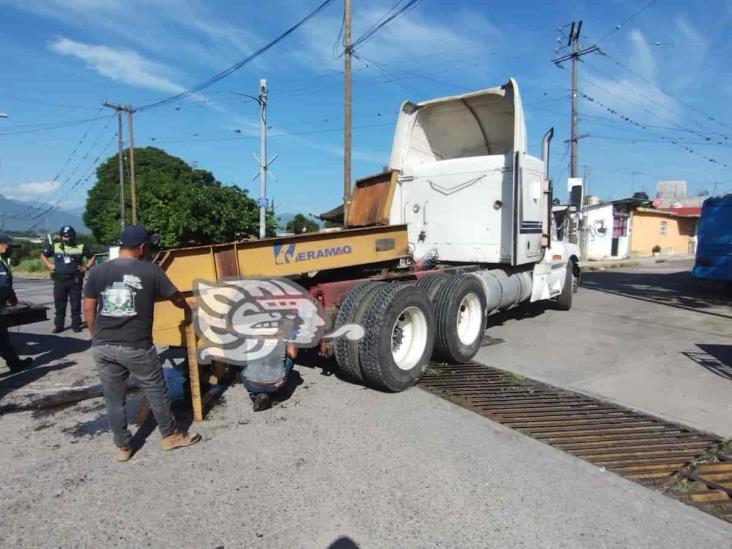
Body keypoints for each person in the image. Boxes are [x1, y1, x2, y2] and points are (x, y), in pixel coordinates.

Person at [83, 225, 200, 462]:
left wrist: (95, 336)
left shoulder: (98, 271)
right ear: (143, 246)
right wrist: (190, 306)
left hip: (103, 346)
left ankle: (123, 447)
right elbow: (176, 298)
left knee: (114, 399)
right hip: (136, 346)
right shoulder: (151, 271)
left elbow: (88, 306)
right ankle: (170, 436)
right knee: (157, 392)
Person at [40, 226, 95, 333]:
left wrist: (86, 267)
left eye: (69, 236)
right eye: (64, 236)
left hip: (75, 280)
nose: (66, 238)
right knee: (59, 304)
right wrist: (49, 265)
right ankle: (59, 326)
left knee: (75, 304)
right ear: (61, 236)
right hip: (59, 280)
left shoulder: (81, 246)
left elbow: (92, 257)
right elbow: (43, 255)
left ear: (73, 236)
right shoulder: (55, 246)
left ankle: (76, 324)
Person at [0, 234, 33, 373]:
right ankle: (15, 364)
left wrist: (14, 301)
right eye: (8, 246)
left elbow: (6, 286)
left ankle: (15, 364)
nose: (10, 250)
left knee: (2, 339)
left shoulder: (3, 261)